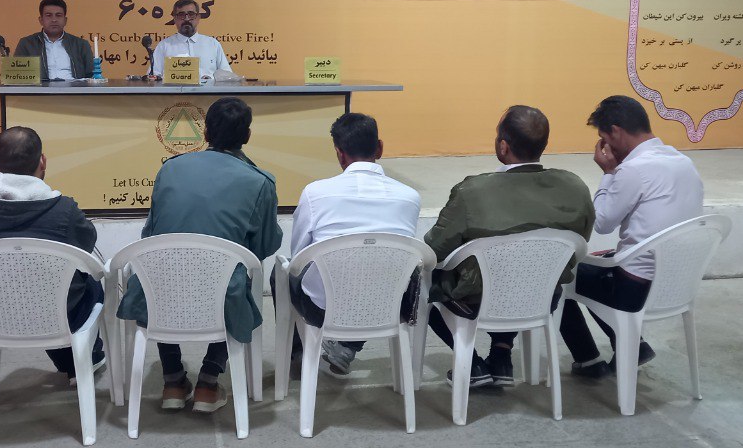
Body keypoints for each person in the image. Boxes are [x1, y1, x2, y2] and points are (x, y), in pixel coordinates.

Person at [117, 97, 281, 414]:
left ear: (205, 133)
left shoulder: (170, 169)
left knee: (161, 270)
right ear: (247, 136)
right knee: (236, 277)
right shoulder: (260, 182)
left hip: (158, 289)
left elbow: (151, 234)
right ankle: (208, 381)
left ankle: (173, 380)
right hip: (221, 294)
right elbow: (263, 247)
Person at [424, 106, 594, 388]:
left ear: (503, 146)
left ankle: (472, 364)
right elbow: (579, 242)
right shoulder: (575, 187)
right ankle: (501, 354)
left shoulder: (472, 192)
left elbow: (434, 249)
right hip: (542, 295)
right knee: (519, 272)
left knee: (424, 285)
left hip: (478, 300)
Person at [560, 95, 704, 378]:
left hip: (635, 289)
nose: (606, 147)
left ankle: (588, 359)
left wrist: (608, 173)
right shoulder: (684, 162)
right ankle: (631, 345)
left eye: (604, 139)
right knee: (597, 265)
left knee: (559, 275)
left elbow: (602, 223)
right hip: (679, 281)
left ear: (615, 131)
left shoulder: (632, 170)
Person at [0, 126, 105, 386]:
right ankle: (85, 358)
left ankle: (69, 362)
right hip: (59, 311)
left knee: (42, 288)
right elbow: (87, 243)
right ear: (43, 161)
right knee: (87, 284)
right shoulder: (64, 210)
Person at [286, 112, 421, 377]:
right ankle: (347, 346)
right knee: (377, 272)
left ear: (339, 154)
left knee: (281, 274)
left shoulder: (315, 193)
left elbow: (299, 256)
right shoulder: (410, 197)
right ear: (379, 148)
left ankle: (299, 354)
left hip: (323, 309)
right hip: (387, 305)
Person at [13, 0, 95, 80]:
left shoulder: (81, 45)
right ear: (41, 20)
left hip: (75, 88)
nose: (54, 20)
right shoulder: (27, 44)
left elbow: (92, 76)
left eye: (58, 15)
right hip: (40, 88)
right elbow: (17, 77)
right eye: (48, 15)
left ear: (65, 20)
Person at [150, 0, 232, 79]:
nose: (187, 19)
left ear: (198, 17)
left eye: (191, 14)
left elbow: (227, 77)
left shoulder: (213, 44)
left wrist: (210, 80)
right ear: (174, 18)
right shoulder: (164, 46)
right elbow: (154, 78)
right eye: (181, 15)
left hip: (208, 88)